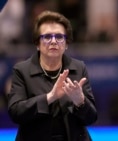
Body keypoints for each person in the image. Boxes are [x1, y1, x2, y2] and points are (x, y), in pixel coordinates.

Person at [7, 10, 98, 141]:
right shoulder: (22, 70)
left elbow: (91, 118)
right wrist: (50, 97)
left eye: (59, 37)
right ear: (37, 44)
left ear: (66, 44)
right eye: (47, 37)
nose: (54, 41)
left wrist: (80, 102)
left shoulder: (78, 68)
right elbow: (16, 113)